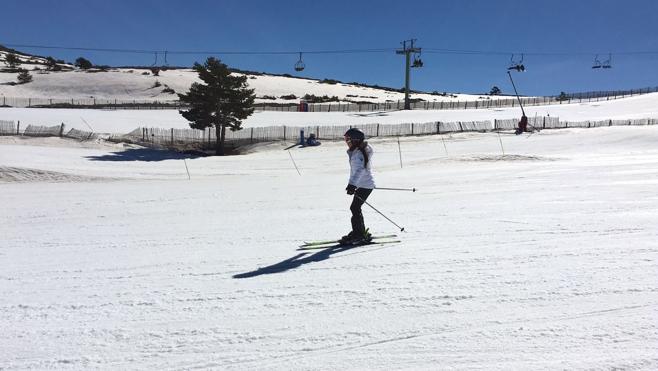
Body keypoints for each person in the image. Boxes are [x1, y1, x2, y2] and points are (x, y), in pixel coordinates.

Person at [339, 128, 375, 245]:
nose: (346, 142)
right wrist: (352, 185)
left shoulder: (358, 154)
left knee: (354, 208)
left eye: (348, 139)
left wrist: (352, 185)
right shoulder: (358, 152)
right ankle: (359, 232)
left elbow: (359, 170)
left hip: (365, 185)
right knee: (355, 208)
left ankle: (359, 234)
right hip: (363, 185)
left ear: (354, 140)